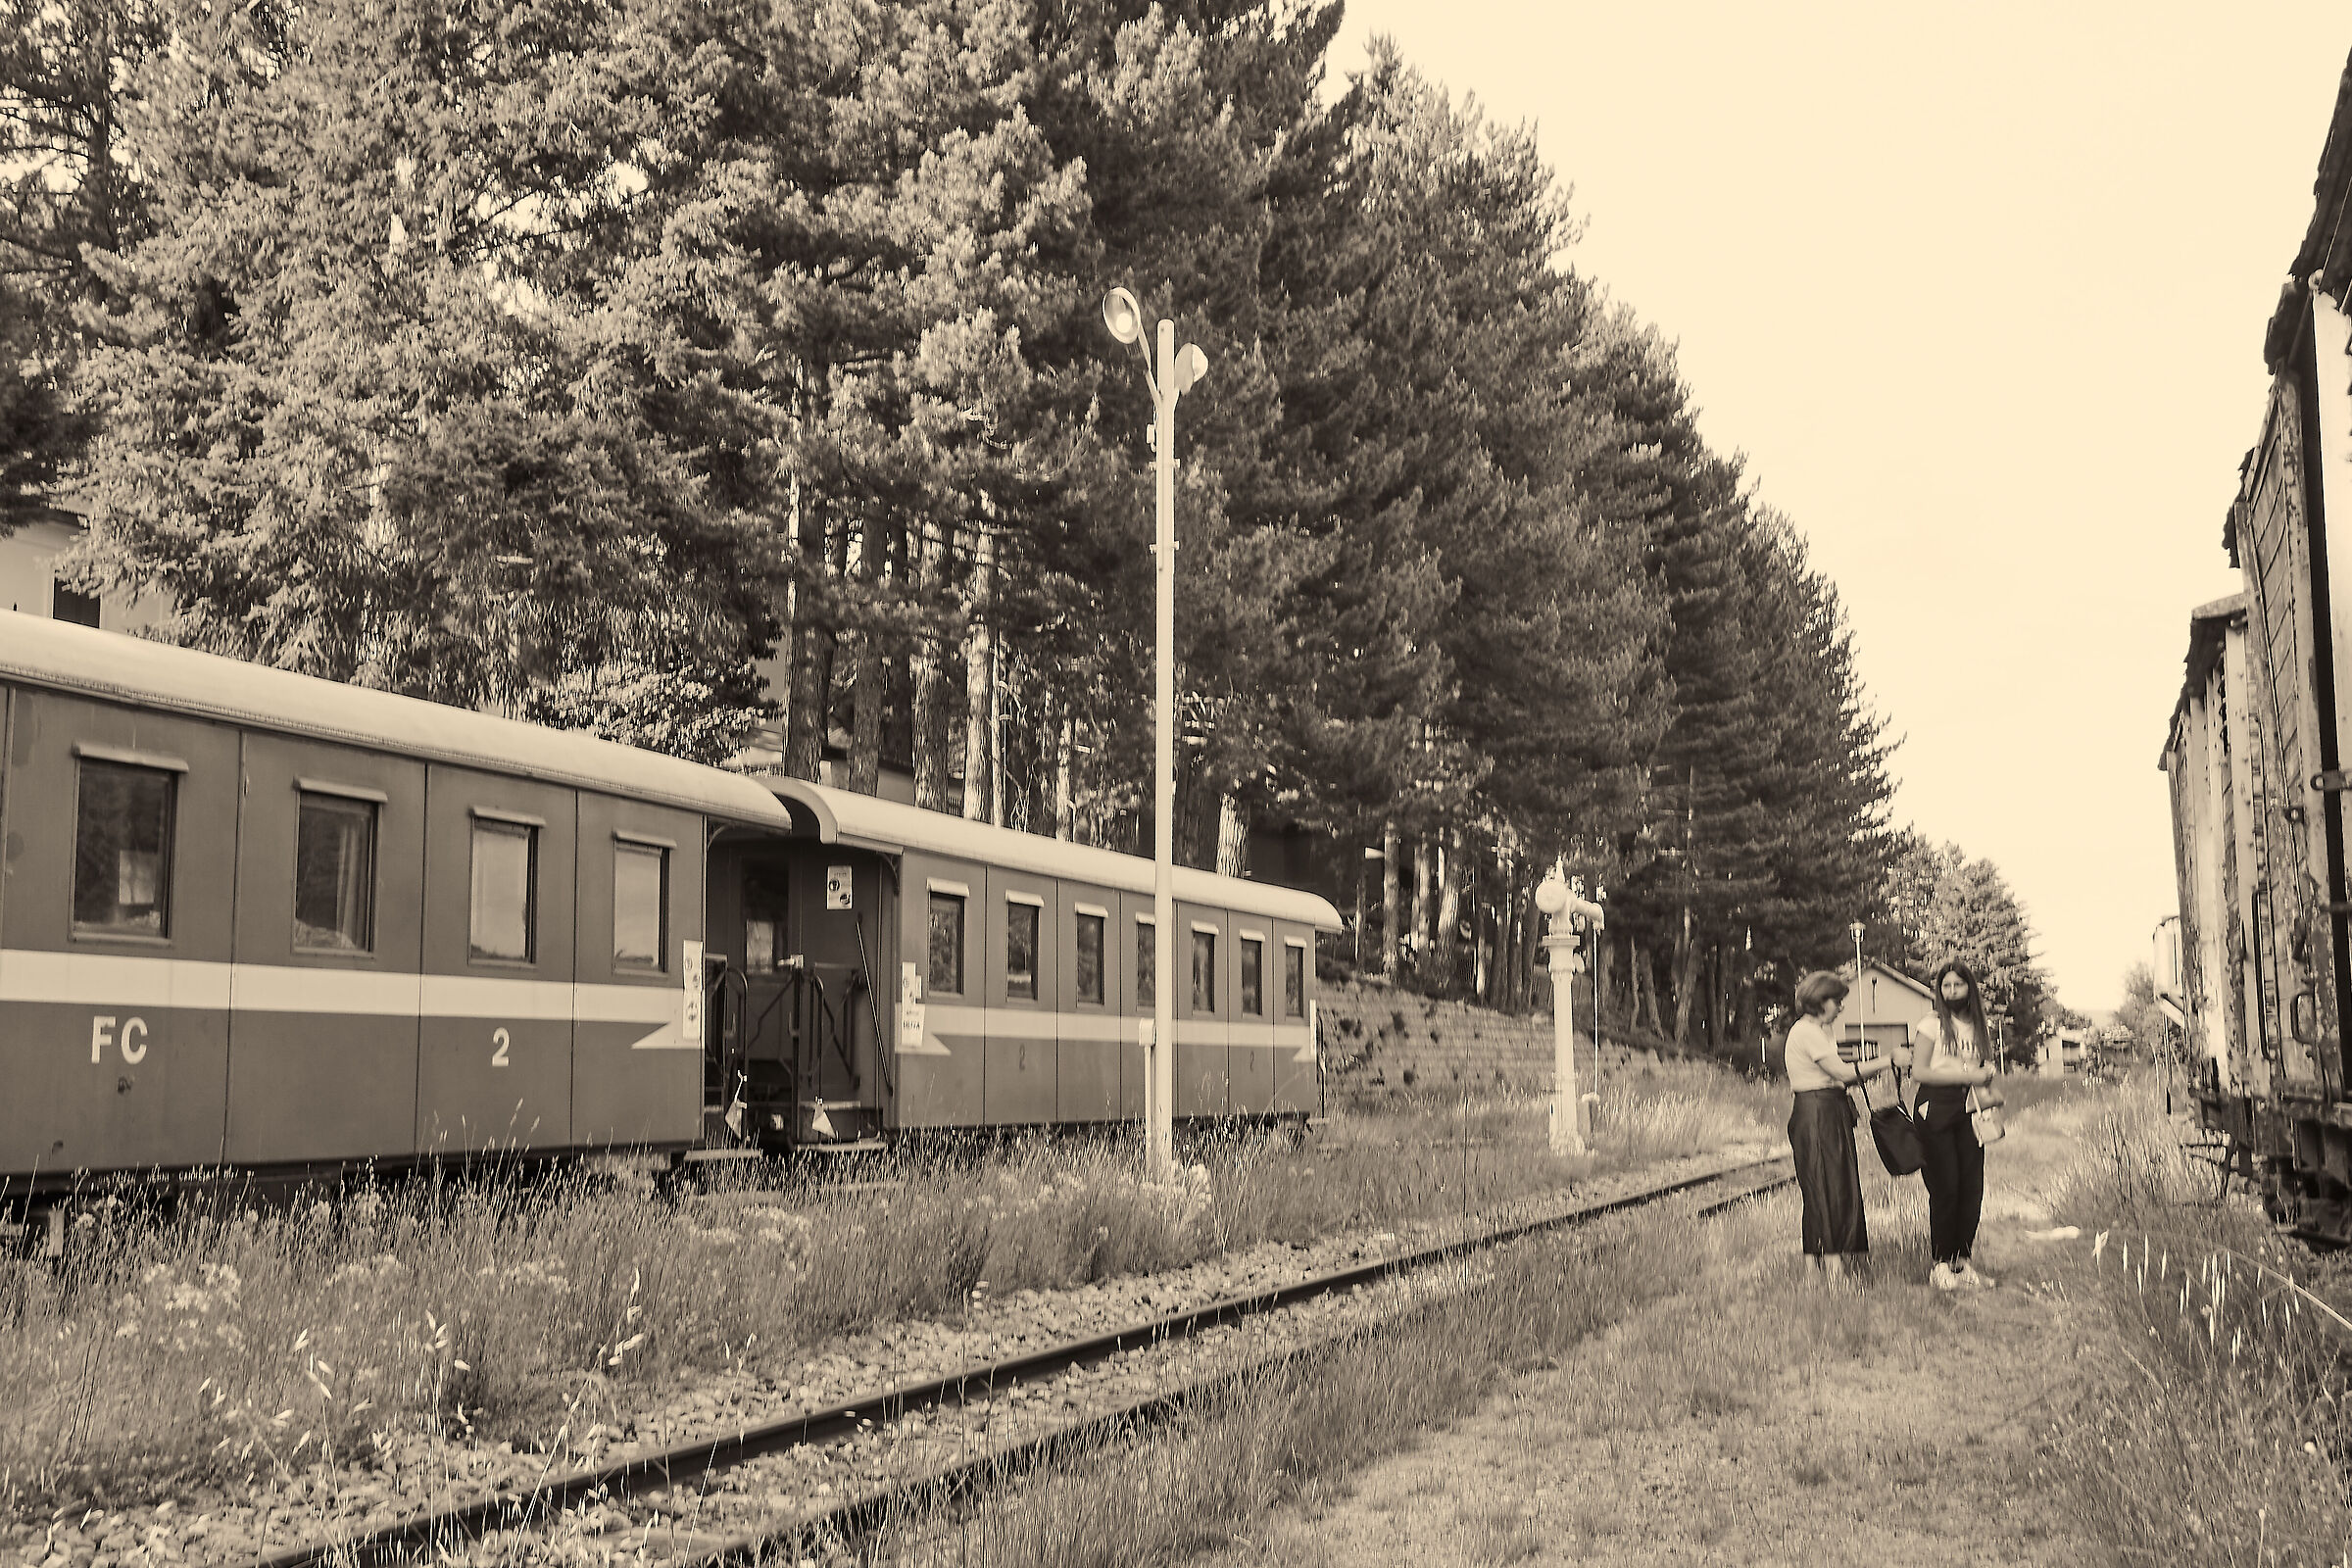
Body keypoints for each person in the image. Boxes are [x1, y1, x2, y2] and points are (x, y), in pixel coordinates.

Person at [1783, 969, 1895, 1281]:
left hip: (1828, 1110)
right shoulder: (1806, 1032)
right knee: (1824, 1185)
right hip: (1816, 1113)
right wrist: (1888, 1060)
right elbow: (1843, 1073)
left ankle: (1816, 1271)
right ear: (1820, 1000)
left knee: (1832, 1185)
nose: (1841, 1007)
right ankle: (1832, 1270)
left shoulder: (1820, 1031)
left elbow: (1840, 1077)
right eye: (1837, 1001)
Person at [1910, 959, 2000, 1291]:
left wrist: (1984, 1078)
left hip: (1967, 1106)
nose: (1951, 992)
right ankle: (1940, 1264)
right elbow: (1919, 1071)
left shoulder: (1978, 1026)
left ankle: (1963, 1262)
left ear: (1969, 988)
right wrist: (1967, 1074)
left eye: (1957, 986)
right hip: (1935, 1104)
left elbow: (1980, 1067)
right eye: (1946, 986)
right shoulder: (1931, 1024)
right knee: (1945, 1186)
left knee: (1971, 1187)